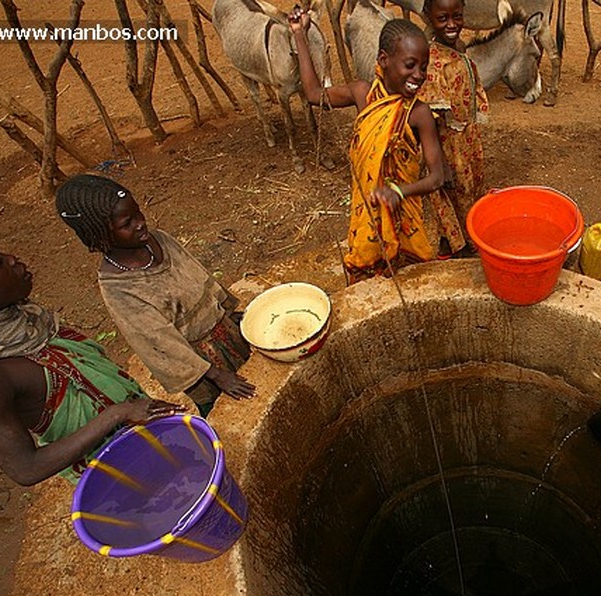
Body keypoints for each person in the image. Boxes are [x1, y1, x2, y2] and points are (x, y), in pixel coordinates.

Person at [0, 228, 178, 486]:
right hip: (116, 479)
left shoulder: (24, 321)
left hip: (144, 433)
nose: (12, 258)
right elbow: (26, 469)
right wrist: (118, 414)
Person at [56, 174, 255, 417]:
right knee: (228, 411)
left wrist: (227, 309)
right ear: (99, 235)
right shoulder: (120, 288)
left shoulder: (159, 240)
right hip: (200, 366)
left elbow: (198, 275)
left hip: (225, 332)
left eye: (138, 213)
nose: (140, 223)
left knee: (254, 379)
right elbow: (160, 344)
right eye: (126, 223)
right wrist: (215, 375)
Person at [289, 11, 446, 281]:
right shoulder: (363, 94)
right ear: (383, 60)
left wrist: (400, 191)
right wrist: (299, 34)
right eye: (410, 65)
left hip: (404, 220)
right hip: (367, 217)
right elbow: (314, 94)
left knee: (409, 281)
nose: (418, 75)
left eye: (423, 67)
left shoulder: (419, 114)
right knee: (366, 281)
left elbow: (437, 177)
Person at [418, 0, 489, 258]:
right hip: (446, 147)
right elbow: (431, 117)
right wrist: (441, 165)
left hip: (466, 140)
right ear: (428, 17)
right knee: (450, 193)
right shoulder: (433, 61)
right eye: (442, 18)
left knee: (468, 190)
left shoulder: (459, 48)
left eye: (457, 17)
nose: (451, 25)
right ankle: (454, 246)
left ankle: (467, 237)